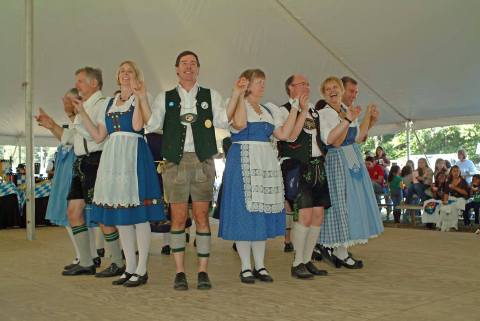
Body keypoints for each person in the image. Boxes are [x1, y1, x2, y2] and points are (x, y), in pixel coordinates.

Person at [144, 51, 234, 290]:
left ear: (198, 69)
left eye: (193, 63)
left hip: (203, 160)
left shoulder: (211, 95)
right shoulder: (165, 97)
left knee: (202, 217)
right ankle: (180, 271)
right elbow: (151, 124)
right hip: (174, 161)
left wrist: (236, 95)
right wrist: (141, 96)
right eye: (184, 63)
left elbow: (224, 121)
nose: (189, 67)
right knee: (178, 217)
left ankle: (203, 271)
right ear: (176, 69)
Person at [77, 61, 165, 287]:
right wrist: (82, 113)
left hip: (134, 154)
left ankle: (142, 269)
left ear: (137, 76)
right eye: (123, 71)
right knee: (122, 214)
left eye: (130, 71)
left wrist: (140, 96)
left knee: (139, 214)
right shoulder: (109, 102)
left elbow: (137, 126)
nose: (126, 74)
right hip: (113, 156)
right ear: (117, 76)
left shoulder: (139, 98)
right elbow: (98, 136)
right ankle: (130, 267)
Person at [35, 67, 124, 276]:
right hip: (81, 162)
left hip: (97, 161)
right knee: (73, 212)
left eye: (81, 81)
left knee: (102, 215)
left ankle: (118, 262)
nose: (77, 85)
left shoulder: (104, 105)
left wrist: (80, 114)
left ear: (94, 83)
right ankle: (86, 261)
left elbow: (96, 135)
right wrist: (51, 126)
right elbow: (71, 138)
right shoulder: (83, 108)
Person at [218, 69, 298, 284]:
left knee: (260, 213)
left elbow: (284, 135)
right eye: (258, 82)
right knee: (245, 213)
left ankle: (260, 265)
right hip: (243, 159)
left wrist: (296, 109)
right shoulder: (235, 103)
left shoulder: (268, 109)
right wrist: (240, 95)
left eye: (264, 81)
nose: (263, 85)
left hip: (265, 161)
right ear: (247, 84)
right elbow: (241, 125)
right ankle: (245, 266)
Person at [317, 76, 383, 269]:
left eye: (335, 87)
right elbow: (335, 141)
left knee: (352, 203)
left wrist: (369, 119)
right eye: (328, 89)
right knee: (342, 204)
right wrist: (348, 119)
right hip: (337, 159)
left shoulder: (344, 110)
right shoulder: (325, 113)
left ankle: (342, 248)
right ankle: (340, 250)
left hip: (351, 157)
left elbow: (358, 137)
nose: (332, 91)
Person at [278, 74, 330, 279]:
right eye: (302, 84)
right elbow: (290, 136)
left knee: (318, 215)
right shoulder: (283, 110)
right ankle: (297, 261)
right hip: (297, 166)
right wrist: (301, 109)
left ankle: (307, 260)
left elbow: (325, 138)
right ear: (290, 88)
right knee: (305, 215)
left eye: (308, 84)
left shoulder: (315, 112)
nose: (307, 87)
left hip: (317, 166)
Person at [438, 165, 469, 231]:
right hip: (452, 198)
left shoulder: (463, 181)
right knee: (443, 206)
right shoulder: (448, 181)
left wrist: (454, 187)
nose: (456, 173)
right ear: (451, 172)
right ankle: (440, 225)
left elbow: (466, 193)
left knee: (454, 206)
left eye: (457, 171)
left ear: (459, 172)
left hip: (461, 199)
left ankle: (454, 226)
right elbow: (446, 193)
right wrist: (445, 201)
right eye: (454, 171)